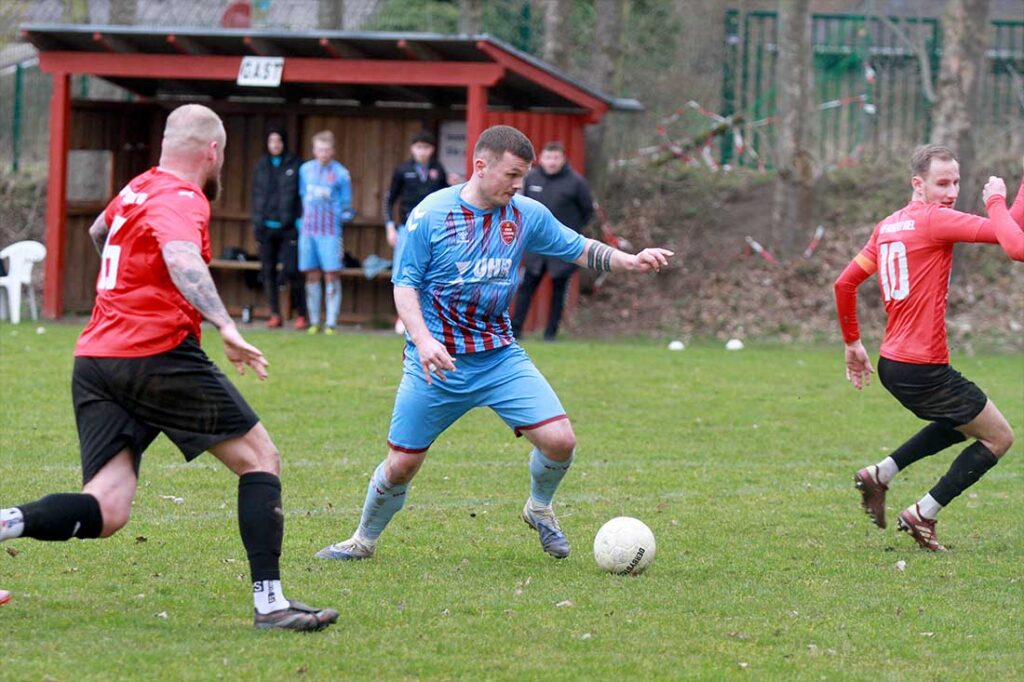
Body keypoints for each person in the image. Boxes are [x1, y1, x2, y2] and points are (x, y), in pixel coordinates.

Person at [0, 104, 338, 631]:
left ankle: (4, 523)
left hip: (97, 359)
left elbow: (98, 231)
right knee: (260, 459)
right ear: (213, 152)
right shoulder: (184, 197)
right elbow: (182, 257)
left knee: (107, 509)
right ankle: (271, 605)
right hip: (155, 354)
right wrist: (224, 324)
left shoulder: (137, 188)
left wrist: (129, 288)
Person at [315, 125, 673, 562]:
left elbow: (577, 247)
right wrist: (423, 342)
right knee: (402, 464)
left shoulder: (524, 213)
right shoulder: (431, 215)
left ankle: (539, 508)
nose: (520, 185)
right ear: (480, 166)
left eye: (524, 176)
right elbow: (404, 287)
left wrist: (628, 260)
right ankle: (363, 540)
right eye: (513, 175)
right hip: (438, 363)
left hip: (499, 357)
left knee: (561, 441)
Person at [836, 144, 1023, 551]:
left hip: (894, 364)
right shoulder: (936, 221)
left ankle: (881, 473)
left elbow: (845, 283)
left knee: (962, 424)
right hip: (922, 367)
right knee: (999, 438)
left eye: (956, 181)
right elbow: (1015, 246)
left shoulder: (887, 226)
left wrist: (853, 342)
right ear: (917, 184)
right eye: (943, 183)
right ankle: (923, 513)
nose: (952, 190)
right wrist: (994, 199)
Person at [511, 141, 595, 341]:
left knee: (558, 292)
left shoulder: (576, 182)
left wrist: (570, 231)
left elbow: (587, 211)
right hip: (535, 247)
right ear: (541, 158)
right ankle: (515, 331)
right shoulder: (531, 178)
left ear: (563, 159)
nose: (552, 162)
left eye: (556, 158)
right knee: (526, 289)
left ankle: (551, 334)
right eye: (548, 157)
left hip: (562, 247)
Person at [251, 127, 308, 330]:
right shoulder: (262, 165)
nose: (275, 145)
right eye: (271, 141)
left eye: (278, 141)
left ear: (284, 143)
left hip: (288, 227)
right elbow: (256, 194)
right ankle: (275, 314)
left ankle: (301, 314)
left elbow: (301, 195)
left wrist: (299, 220)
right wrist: (257, 220)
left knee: (292, 271)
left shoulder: (295, 164)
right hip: (265, 226)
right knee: (268, 272)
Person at [298, 130, 353, 335]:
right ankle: (314, 321)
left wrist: (341, 217)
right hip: (308, 230)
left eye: (327, 149)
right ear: (314, 150)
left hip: (330, 232)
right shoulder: (305, 170)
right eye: (319, 149)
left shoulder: (340, 173)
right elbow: (303, 196)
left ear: (333, 151)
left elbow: (347, 204)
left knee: (331, 274)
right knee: (311, 274)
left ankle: (331, 322)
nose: (323, 153)